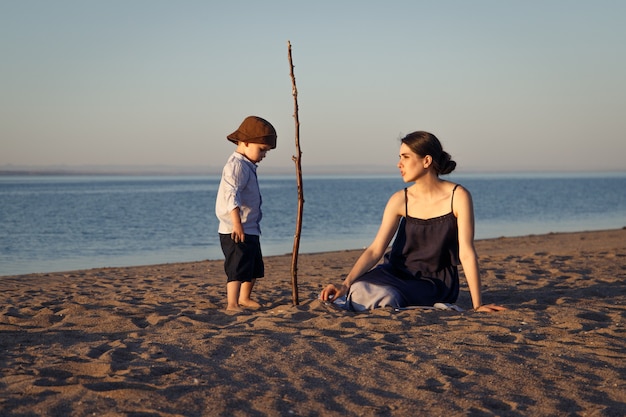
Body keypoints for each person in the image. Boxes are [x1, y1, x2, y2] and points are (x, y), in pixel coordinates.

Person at [320, 131, 506, 313]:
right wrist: (345, 284)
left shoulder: (458, 197)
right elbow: (376, 249)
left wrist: (477, 305)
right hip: (394, 272)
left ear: (426, 160)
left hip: (434, 283)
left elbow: (466, 252)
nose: (399, 164)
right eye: (400, 157)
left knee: (386, 296)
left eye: (406, 157)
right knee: (360, 288)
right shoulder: (400, 199)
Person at [215, 115, 277, 311]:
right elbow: (231, 195)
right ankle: (232, 302)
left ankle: (244, 297)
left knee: (253, 266)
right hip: (235, 228)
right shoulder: (236, 166)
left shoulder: (247, 165)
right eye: (262, 150)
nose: (264, 155)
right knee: (237, 266)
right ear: (245, 142)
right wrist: (237, 223)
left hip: (250, 227)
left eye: (266, 152)